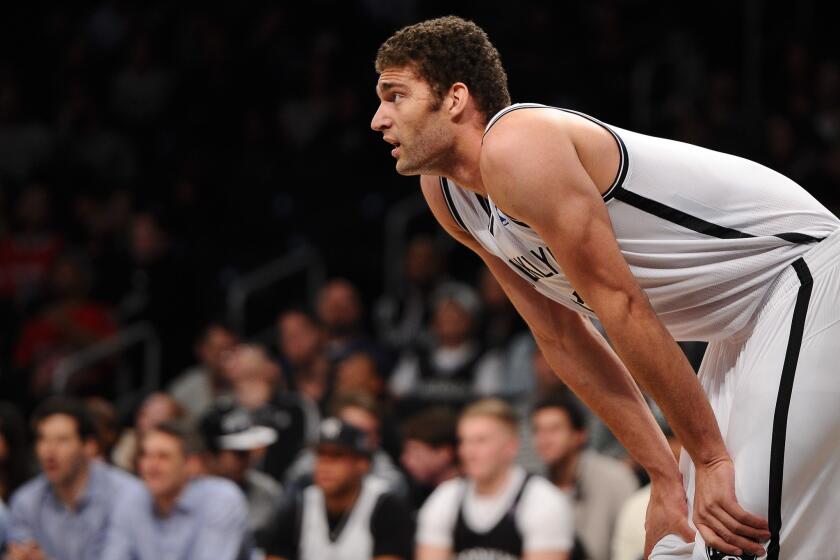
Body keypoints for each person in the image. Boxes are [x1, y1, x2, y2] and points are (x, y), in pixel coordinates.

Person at [371, 16, 840, 560]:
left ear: (455, 98)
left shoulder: (520, 143)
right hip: (739, 321)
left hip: (802, 270)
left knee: (742, 530)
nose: (379, 119)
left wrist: (708, 460)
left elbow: (620, 304)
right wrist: (664, 476)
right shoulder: (449, 194)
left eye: (395, 96)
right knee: (684, 540)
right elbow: (562, 337)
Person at [416, 398, 574, 560]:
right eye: (464, 441)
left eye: (481, 441)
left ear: (511, 446)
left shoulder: (543, 500)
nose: (468, 452)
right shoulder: (446, 497)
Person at [7, 398, 145, 560]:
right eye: (43, 439)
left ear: (89, 447)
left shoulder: (127, 495)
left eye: (62, 440)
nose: (49, 452)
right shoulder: (25, 501)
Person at [263, 417, 414, 560]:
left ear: (362, 464)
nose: (325, 466)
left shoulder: (386, 507)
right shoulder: (298, 506)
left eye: (337, 456)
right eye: (321, 455)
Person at [102, 419, 252, 560]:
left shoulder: (220, 499)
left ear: (190, 464)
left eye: (163, 457)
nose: (151, 466)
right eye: (145, 455)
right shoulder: (130, 500)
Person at [531, 394, 639, 560]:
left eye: (554, 430)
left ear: (580, 435)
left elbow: (631, 544)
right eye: (538, 430)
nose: (544, 440)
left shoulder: (615, 478)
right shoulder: (534, 486)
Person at [199, 398, 282, 538]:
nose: (248, 458)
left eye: (249, 450)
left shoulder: (267, 493)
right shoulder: (186, 496)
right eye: (239, 453)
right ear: (210, 457)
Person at [167, 321, 239, 419]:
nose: (224, 356)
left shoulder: (246, 380)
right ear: (202, 351)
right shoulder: (185, 389)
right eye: (218, 350)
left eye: (229, 349)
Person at [399, 406, 459, 508]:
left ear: (444, 453)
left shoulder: (465, 498)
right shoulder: (415, 493)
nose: (404, 459)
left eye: (415, 451)